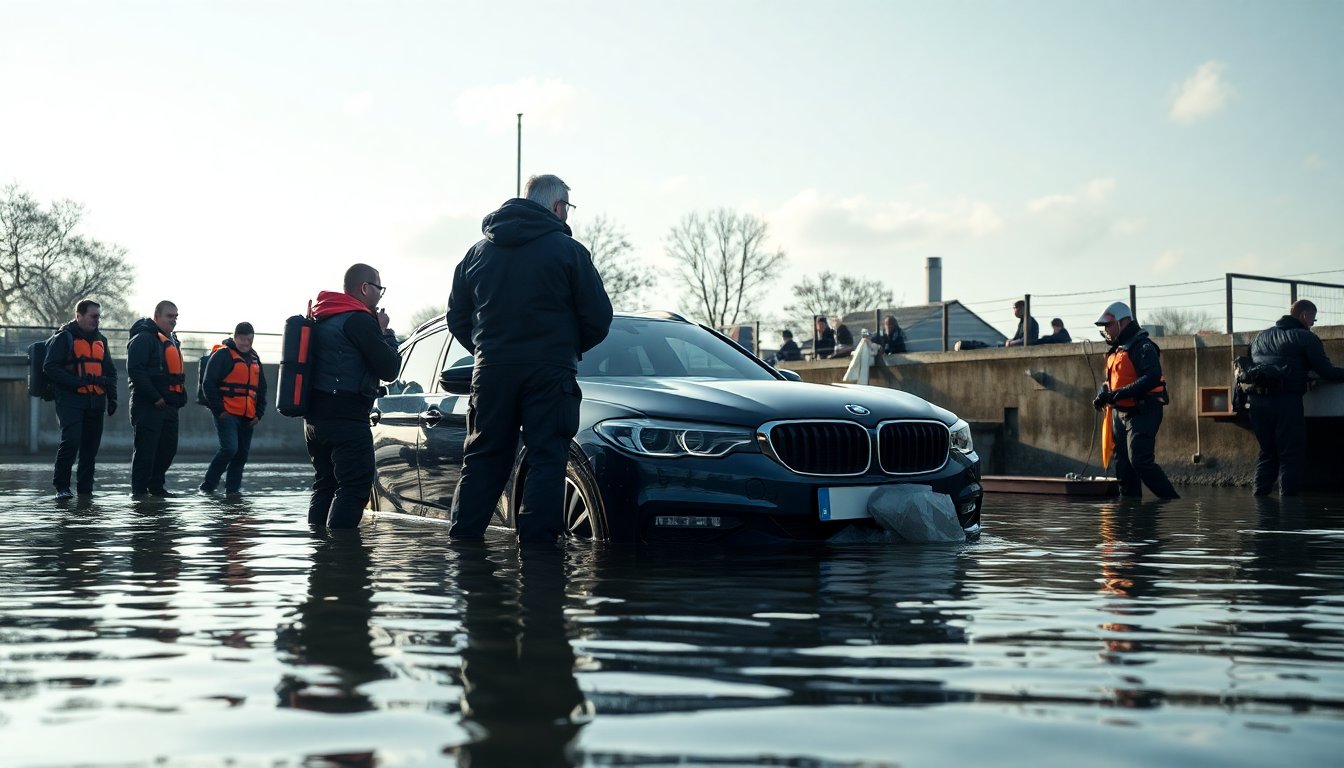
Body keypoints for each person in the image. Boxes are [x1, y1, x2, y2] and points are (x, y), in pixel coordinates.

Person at [447, 173, 613, 544]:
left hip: (491, 373)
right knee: (546, 459)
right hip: (549, 373)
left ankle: (464, 551)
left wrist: (485, 350)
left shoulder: (476, 254)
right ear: (557, 207)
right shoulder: (569, 251)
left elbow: (457, 317)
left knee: (483, 458)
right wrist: (566, 348)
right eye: (567, 208)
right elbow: (599, 317)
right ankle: (539, 564)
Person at [305, 264, 402, 528]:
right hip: (346, 417)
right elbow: (390, 369)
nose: (381, 295)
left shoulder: (323, 317)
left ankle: (320, 556)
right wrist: (385, 332)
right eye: (379, 288)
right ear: (364, 288)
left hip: (314, 418)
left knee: (325, 485)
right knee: (354, 487)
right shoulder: (358, 320)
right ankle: (342, 561)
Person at [1248, 300, 1344, 496]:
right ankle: (1289, 510)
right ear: (1304, 315)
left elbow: (1270, 364)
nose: (1313, 324)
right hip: (1285, 401)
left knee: (1267, 453)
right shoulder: (1306, 337)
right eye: (1313, 319)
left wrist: (1303, 374)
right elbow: (1326, 371)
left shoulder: (1260, 337)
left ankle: (1261, 504)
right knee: (1290, 454)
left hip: (1257, 402)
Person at [1092, 301, 1180, 500]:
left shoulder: (1142, 346)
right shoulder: (1115, 350)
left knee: (1140, 461)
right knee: (1123, 466)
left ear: (1122, 323)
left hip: (1143, 411)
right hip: (1119, 415)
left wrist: (1117, 395)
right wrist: (1102, 395)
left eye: (1108, 325)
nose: (1106, 330)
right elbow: (1110, 383)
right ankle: (1129, 512)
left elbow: (1152, 376)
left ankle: (1172, 502)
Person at [43, 298, 117, 499]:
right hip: (70, 399)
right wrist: (77, 382)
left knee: (90, 448)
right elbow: (50, 367)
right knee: (71, 441)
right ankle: (62, 487)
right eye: (93, 316)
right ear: (79, 315)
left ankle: (85, 490)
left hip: (96, 400)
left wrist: (113, 398)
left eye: (99, 316)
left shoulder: (102, 339)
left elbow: (110, 372)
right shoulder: (64, 338)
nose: (97, 320)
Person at [199, 322, 268, 496]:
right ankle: (208, 485)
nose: (246, 343)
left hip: (248, 416)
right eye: (243, 339)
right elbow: (208, 384)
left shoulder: (254, 358)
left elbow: (261, 389)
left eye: (250, 339)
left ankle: (232, 492)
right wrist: (219, 411)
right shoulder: (223, 355)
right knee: (230, 448)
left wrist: (258, 414)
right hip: (227, 413)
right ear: (235, 337)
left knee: (241, 455)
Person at [127, 300, 187, 497]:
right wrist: (155, 397)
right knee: (146, 451)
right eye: (170, 316)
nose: (174, 320)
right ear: (157, 316)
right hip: (148, 405)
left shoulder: (172, 340)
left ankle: (156, 487)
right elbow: (136, 371)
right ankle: (139, 493)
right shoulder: (143, 339)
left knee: (168, 449)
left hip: (170, 405)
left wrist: (180, 396)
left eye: (176, 316)